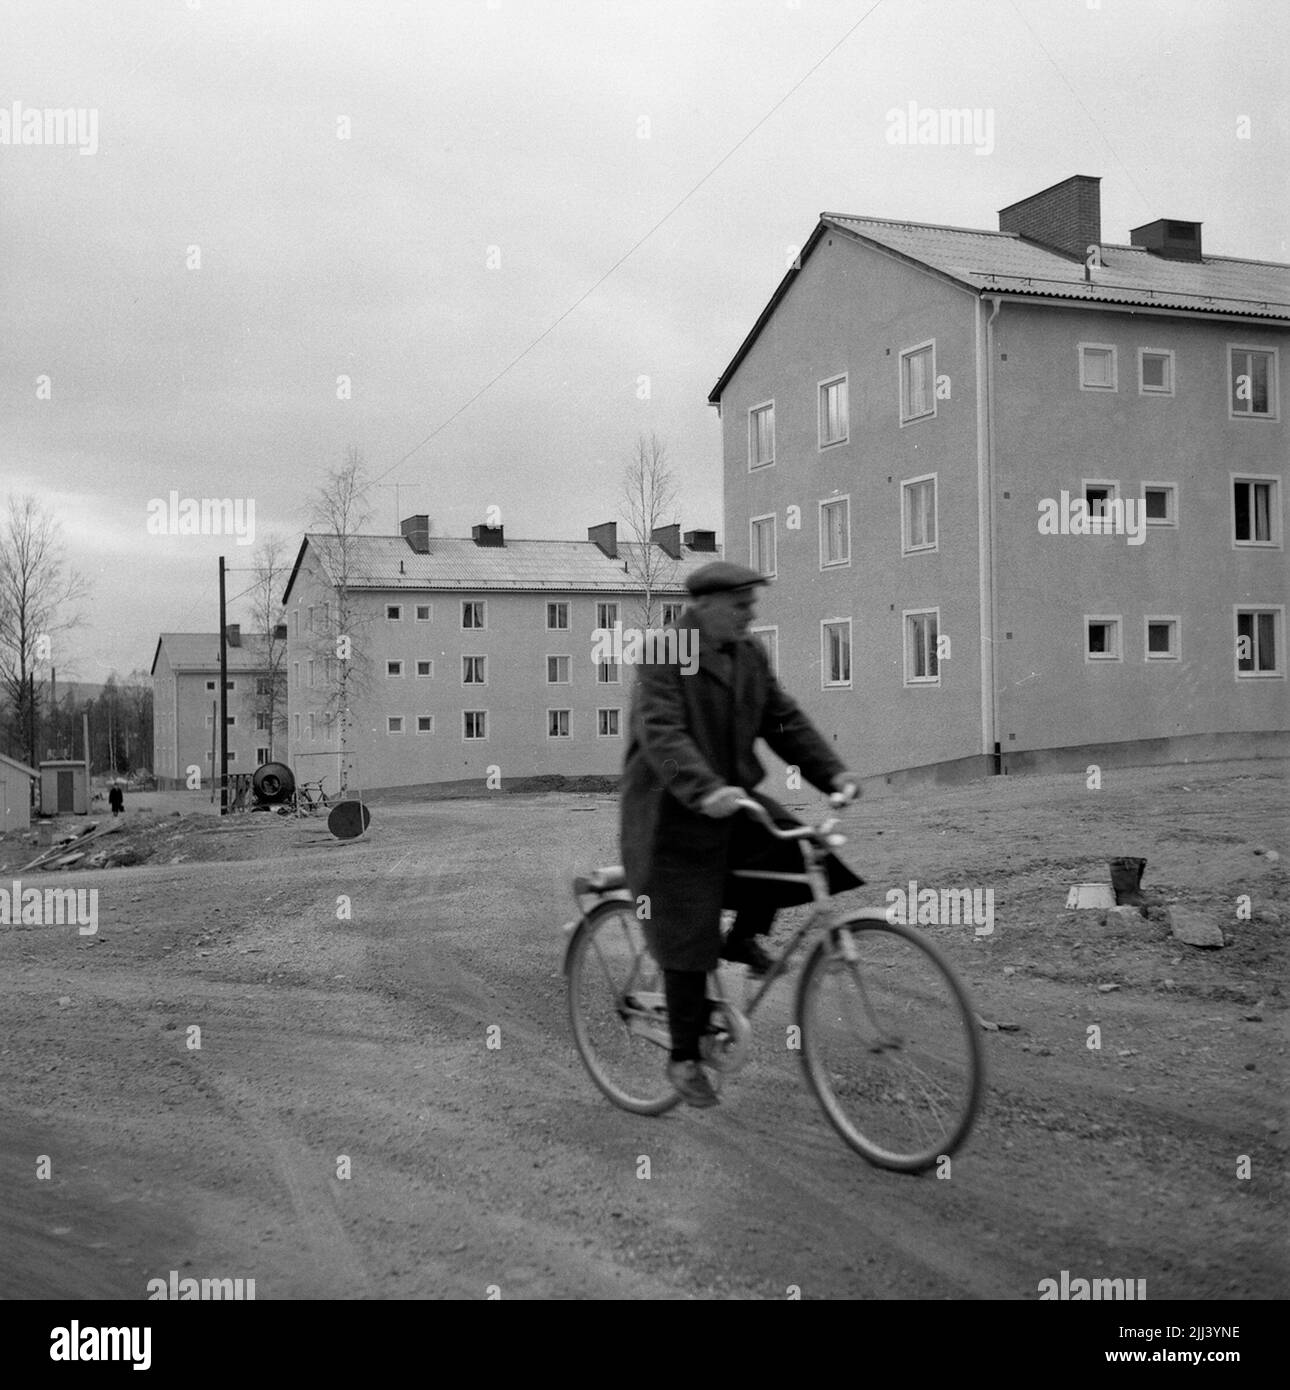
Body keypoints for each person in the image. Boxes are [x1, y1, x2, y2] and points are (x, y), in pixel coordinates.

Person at [620, 561, 862, 1109]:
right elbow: (662, 732)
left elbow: (784, 721)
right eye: (742, 604)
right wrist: (704, 789)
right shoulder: (665, 652)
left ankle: (744, 935)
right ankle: (684, 1058)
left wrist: (834, 774)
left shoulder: (749, 655)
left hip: (728, 803)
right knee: (688, 928)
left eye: (753, 604)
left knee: (801, 850)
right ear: (705, 606)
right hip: (670, 815)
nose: (751, 614)